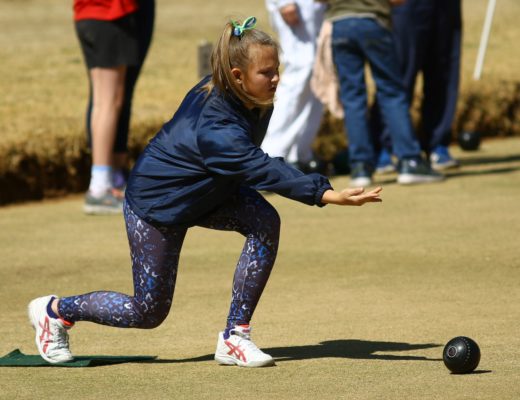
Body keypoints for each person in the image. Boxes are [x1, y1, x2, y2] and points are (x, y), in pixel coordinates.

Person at [28, 18, 382, 368]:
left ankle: (235, 336)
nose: (276, 78)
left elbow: (246, 162)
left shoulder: (251, 96)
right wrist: (325, 194)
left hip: (207, 190)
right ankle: (54, 311)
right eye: (266, 73)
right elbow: (259, 167)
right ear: (238, 75)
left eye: (277, 70)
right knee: (147, 311)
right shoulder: (218, 127)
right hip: (158, 203)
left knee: (264, 221)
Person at [326, 0, 443, 187]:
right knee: (391, 92)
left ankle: (360, 168)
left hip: (340, 25)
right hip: (373, 22)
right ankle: (410, 161)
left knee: (352, 98)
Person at [371, 0, 462, 171]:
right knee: (399, 73)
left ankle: (437, 144)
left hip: (446, 6)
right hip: (407, 5)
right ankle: (383, 146)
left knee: (443, 73)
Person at [74, 0, 140, 214]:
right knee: (109, 102)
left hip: (87, 16)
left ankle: (102, 182)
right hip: (110, 17)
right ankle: (100, 188)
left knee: (102, 101)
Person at [85, 0, 156, 194]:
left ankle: (112, 177)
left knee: (107, 98)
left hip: (96, 13)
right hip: (111, 13)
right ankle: (101, 185)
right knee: (108, 101)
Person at [262, 0, 326, 173]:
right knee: (300, 72)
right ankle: (271, 153)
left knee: (317, 76)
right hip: (296, 7)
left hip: (316, 9)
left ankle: (298, 153)